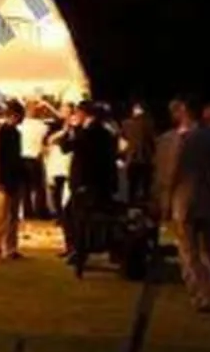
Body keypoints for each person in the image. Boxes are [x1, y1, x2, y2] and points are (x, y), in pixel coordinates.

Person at [154, 97, 210, 311]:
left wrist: (162, 204)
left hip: (183, 203)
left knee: (189, 253)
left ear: (181, 111)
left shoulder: (169, 140)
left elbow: (165, 176)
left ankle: (203, 296)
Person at [62, 101, 119, 259]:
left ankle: (77, 249)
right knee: (78, 216)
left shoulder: (89, 132)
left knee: (74, 217)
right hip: (98, 183)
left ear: (84, 114)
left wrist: (70, 130)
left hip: (86, 183)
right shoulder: (104, 132)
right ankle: (79, 248)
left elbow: (66, 147)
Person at [0, 98, 26, 261]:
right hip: (2, 181)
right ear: (12, 115)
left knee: (13, 216)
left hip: (15, 180)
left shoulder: (17, 134)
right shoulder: (0, 133)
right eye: (19, 116)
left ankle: (10, 248)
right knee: (0, 216)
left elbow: (16, 158)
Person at [120, 101, 157, 208]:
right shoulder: (149, 124)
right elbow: (153, 142)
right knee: (146, 189)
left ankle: (132, 209)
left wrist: (122, 156)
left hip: (133, 160)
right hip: (146, 160)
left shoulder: (127, 124)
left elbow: (122, 143)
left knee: (132, 188)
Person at [19, 100, 50, 220]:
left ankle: (28, 213)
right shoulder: (41, 125)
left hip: (23, 158)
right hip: (35, 157)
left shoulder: (20, 125)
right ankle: (40, 211)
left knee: (26, 188)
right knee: (39, 187)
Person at [44, 102, 74, 225]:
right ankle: (59, 215)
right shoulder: (55, 125)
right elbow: (48, 140)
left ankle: (67, 214)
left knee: (67, 188)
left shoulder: (75, 123)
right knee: (57, 187)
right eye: (63, 109)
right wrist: (62, 131)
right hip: (57, 159)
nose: (64, 112)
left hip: (70, 157)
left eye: (67, 110)